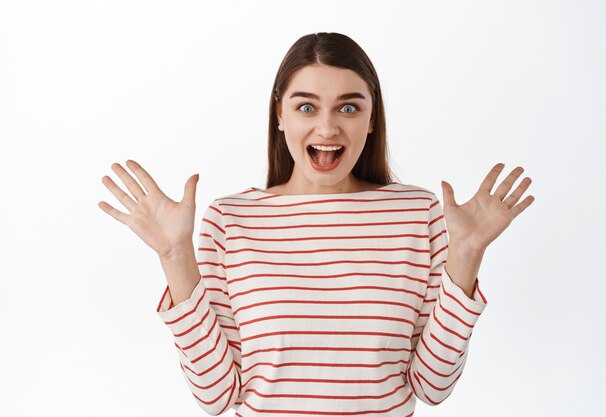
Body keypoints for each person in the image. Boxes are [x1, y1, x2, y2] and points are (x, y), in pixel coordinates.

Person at [98, 32, 534, 416]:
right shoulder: (231, 221)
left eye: (348, 107)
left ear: (372, 118)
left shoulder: (418, 215)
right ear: (281, 114)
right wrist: (175, 256)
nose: (327, 127)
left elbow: (432, 388)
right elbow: (216, 395)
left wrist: (467, 253)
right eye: (306, 106)